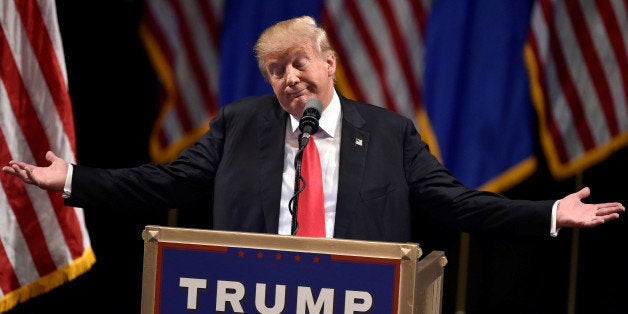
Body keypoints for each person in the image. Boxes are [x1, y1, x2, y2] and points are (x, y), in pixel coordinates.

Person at [2, 16, 624, 244]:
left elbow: (457, 205)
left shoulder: (389, 134)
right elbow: (167, 181)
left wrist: (548, 214)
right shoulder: (239, 126)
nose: (288, 78)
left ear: (329, 61)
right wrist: (72, 179)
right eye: (276, 71)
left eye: (298, 61)